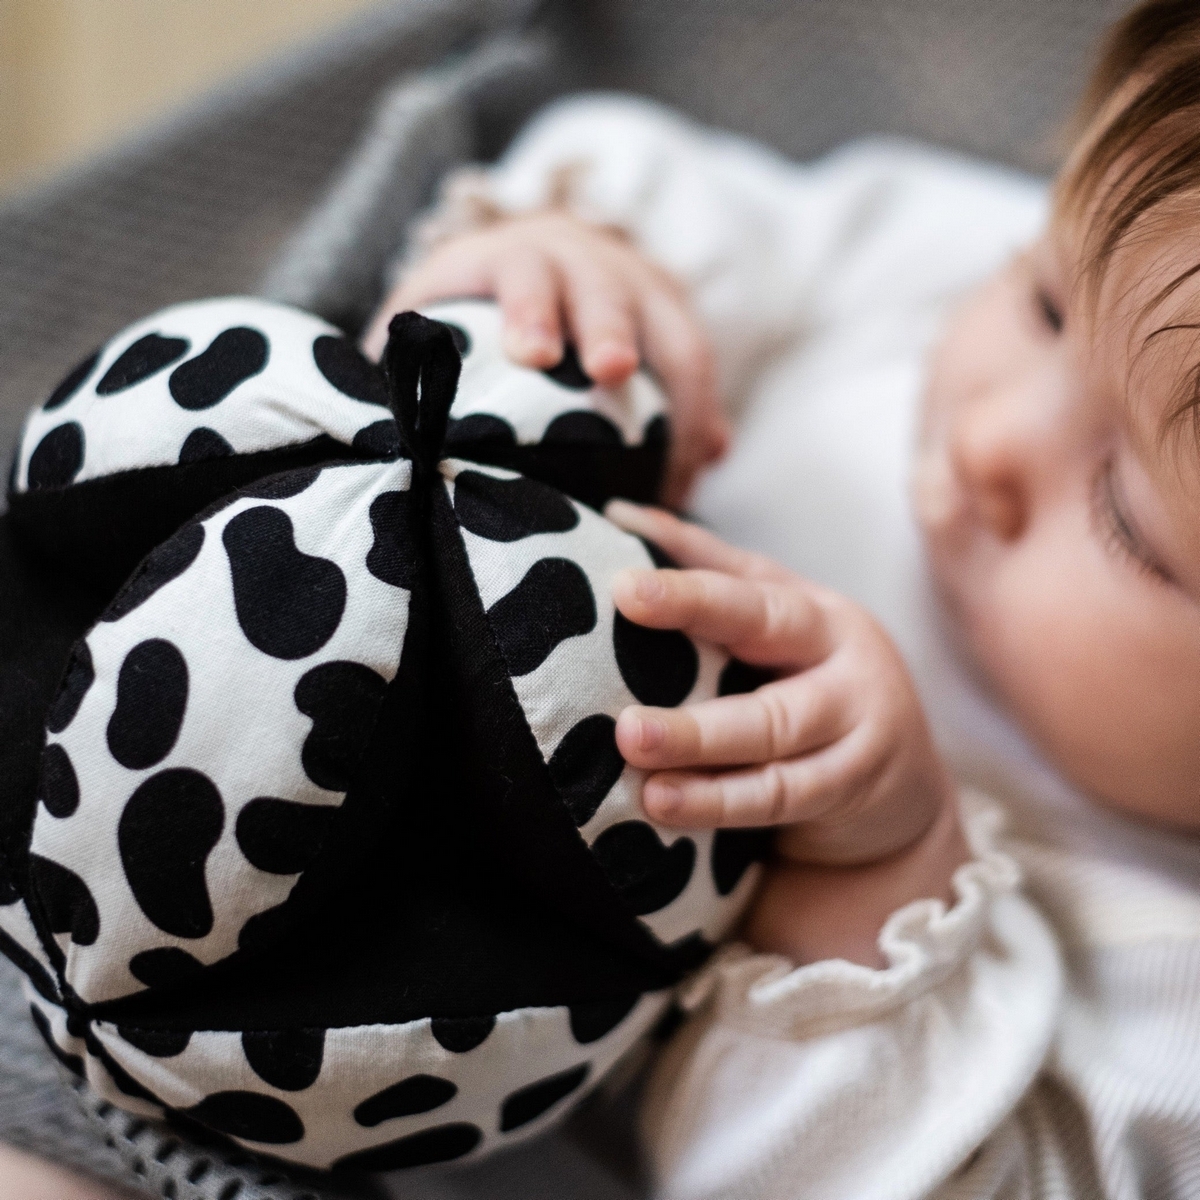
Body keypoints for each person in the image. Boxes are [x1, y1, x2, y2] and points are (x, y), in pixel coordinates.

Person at [359, 1, 1200, 1195]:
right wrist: (577, 265)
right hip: (354, 665)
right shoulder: (1018, 252)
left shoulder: (1167, 1021)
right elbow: (714, 202)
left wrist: (877, 878)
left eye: (1126, 518)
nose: (987, 439)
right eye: (1043, 307)